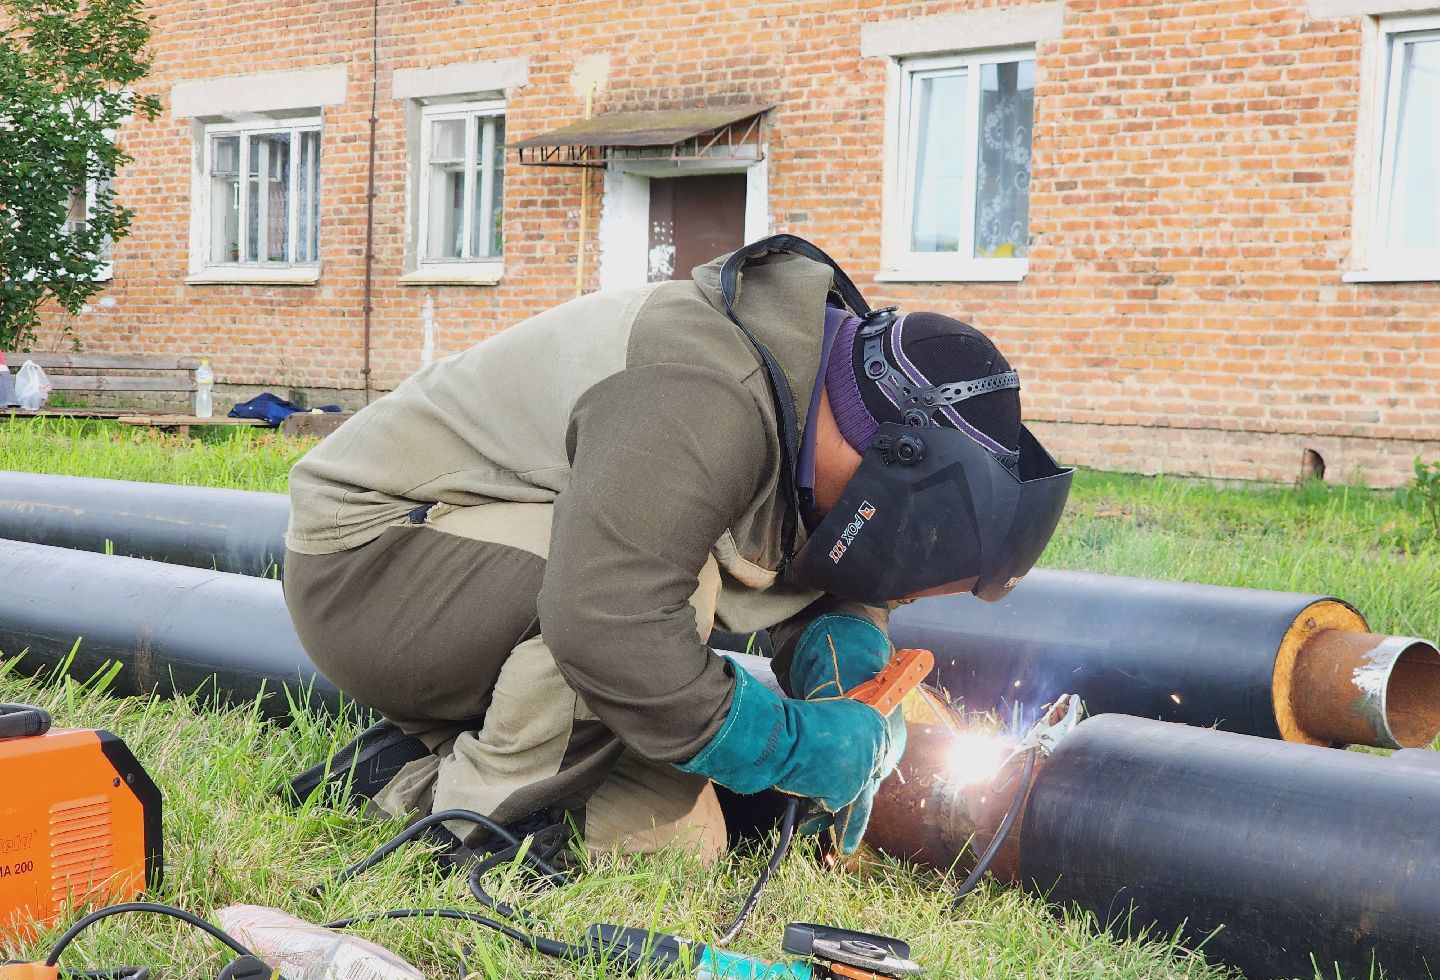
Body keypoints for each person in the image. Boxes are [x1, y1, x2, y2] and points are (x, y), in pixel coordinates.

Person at [281, 235, 1071, 864]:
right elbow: (610, 618)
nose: (904, 579)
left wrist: (849, 642)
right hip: (371, 561)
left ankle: (409, 766)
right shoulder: (707, 392)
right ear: (891, 462)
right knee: (663, 592)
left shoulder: (813, 397)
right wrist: (788, 746)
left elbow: (827, 538)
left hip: (506, 571)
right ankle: (468, 817)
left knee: (671, 845)